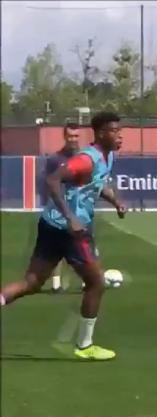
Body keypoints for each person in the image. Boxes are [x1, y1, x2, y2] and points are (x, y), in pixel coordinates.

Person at [0, 112, 127, 361]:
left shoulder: (107, 156)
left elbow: (96, 185)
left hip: (50, 225)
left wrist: (116, 201)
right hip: (72, 231)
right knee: (96, 283)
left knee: (32, 283)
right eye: (114, 130)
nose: (119, 135)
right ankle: (85, 345)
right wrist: (71, 217)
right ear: (101, 133)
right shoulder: (86, 160)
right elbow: (53, 179)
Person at [44, 123, 82, 293]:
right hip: (59, 207)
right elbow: (50, 183)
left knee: (81, 244)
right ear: (65, 137)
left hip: (80, 207)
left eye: (76, 136)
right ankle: (56, 284)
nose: (73, 139)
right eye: (70, 136)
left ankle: (85, 280)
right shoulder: (55, 159)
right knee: (58, 246)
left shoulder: (84, 157)